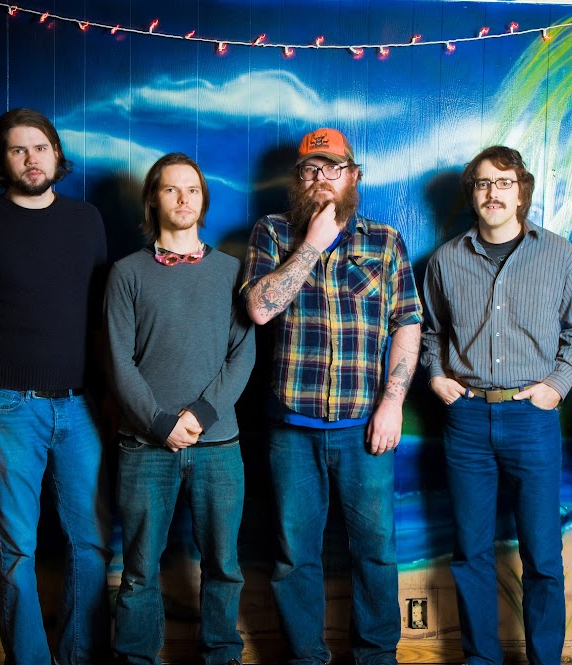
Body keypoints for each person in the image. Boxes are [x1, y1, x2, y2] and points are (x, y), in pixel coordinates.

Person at [241, 128, 423, 665]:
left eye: (333, 168)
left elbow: (407, 323)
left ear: (353, 176)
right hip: (291, 429)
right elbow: (259, 309)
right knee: (295, 555)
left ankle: (376, 656)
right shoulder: (272, 232)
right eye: (310, 169)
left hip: (365, 428)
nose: (321, 178)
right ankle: (306, 657)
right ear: (298, 178)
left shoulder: (384, 241)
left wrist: (393, 403)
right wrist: (311, 246)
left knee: (376, 552)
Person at [0, 108, 112, 664]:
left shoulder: (87, 221)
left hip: (82, 408)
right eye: (17, 150)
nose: (31, 159)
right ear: (2, 160)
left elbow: (101, 323)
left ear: (56, 154)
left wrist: (111, 402)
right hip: (6, 409)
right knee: (16, 549)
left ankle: (79, 656)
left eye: (40, 147)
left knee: (91, 543)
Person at [421, 145, 572, 665]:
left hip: (531, 418)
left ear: (522, 192)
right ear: (472, 194)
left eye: (503, 182)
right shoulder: (446, 260)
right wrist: (435, 375)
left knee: (542, 553)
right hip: (466, 420)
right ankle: (482, 659)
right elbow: (430, 332)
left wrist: (556, 386)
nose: (492, 192)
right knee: (470, 551)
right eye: (482, 183)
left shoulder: (559, 255)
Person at [105, 152, 255, 665]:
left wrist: (200, 416)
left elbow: (243, 353)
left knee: (224, 566)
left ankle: (221, 656)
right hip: (145, 447)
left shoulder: (232, 271)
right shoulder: (126, 273)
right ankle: (135, 658)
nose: (183, 198)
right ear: (154, 199)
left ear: (203, 200)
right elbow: (118, 360)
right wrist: (160, 423)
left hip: (219, 446)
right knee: (139, 570)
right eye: (170, 189)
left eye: (192, 189)